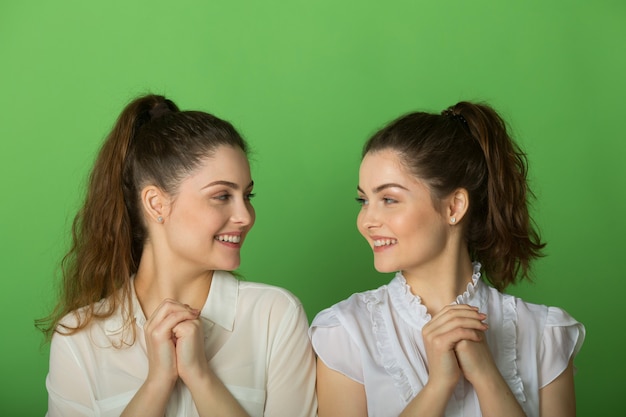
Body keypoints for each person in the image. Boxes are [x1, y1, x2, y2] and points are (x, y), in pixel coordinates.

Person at [37, 94, 317, 417]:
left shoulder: (275, 318)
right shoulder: (79, 341)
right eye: (222, 195)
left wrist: (201, 378)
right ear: (156, 204)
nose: (246, 216)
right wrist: (157, 384)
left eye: (247, 195)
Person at [309, 101, 585, 417]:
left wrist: (486, 376)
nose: (366, 221)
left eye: (388, 199)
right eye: (363, 200)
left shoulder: (544, 335)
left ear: (454, 207)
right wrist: (438, 385)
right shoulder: (345, 334)